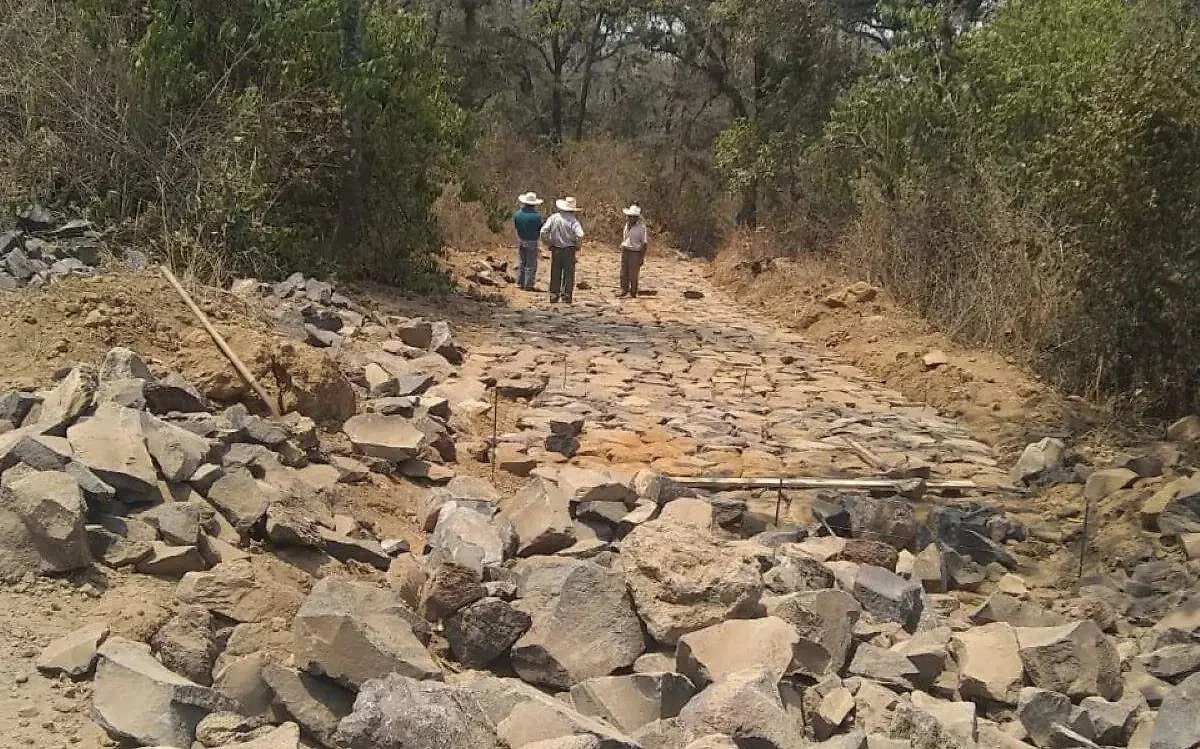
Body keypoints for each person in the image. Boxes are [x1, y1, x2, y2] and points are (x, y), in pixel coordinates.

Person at [539, 196, 584, 304]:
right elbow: (580, 235)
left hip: (556, 249)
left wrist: (548, 243)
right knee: (568, 274)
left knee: (555, 272)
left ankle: (554, 295)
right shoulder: (573, 221)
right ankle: (566, 296)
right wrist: (577, 245)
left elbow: (543, 231)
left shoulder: (554, 218)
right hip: (569, 250)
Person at [512, 192, 545, 290]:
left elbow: (516, 226)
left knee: (522, 261)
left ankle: (520, 282)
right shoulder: (537, 216)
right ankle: (529, 284)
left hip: (521, 239)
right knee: (531, 263)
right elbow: (540, 228)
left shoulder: (517, 214)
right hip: (532, 241)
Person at [618, 204, 648, 298]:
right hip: (625, 250)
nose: (629, 218)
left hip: (635, 252)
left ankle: (633, 292)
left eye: (632, 217)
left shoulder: (641, 228)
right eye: (629, 216)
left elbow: (644, 243)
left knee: (633, 274)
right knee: (623, 272)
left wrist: (641, 257)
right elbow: (625, 238)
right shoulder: (627, 225)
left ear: (636, 218)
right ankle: (624, 290)